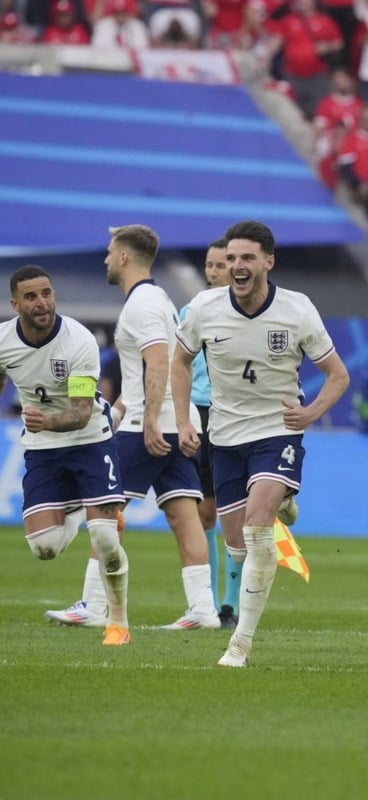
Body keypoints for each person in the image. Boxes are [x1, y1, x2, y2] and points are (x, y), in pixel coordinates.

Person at [171, 220, 350, 667]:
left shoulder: (297, 310)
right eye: (231, 258)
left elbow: (338, 376)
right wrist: (183, 418)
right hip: (226, 436)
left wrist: (310, 414)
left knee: (255, 529)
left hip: (277, 431)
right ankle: (284, 502)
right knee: (238, 546)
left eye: (247, 258)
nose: (237, 266)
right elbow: (179, 361)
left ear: (268, 261)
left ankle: (240, 644)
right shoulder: (204, 308)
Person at [2, 265, 131, 646]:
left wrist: (46, 421)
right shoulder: (4, 341)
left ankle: (118, 624)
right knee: (44, 548)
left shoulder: (78, 340)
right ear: (15, 304)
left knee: (106, 538)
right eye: (31, 296)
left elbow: (81, 412)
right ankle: (81, 506)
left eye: (46, 293)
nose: (41, 303)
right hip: (42, 447)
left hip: (90, 439)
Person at [105, 225, 219, 629]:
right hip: (166, 420)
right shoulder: (157, 298)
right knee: (183, 513)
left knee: (104, 508)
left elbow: (156, 361)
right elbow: (146, 369)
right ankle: (204, 609)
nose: (105, 258)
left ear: (123, 257)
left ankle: (94, 603)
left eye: (109, 250)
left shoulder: (142, 304)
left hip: (147, 425)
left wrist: (148, 419)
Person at [188, 238, 240, 629]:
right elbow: (176, 363)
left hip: (237, 414)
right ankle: (208, 605)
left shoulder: (248, 312)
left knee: (234, 514)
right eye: (209, 264)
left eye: (220, 264)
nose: (213, 271)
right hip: (199, 413)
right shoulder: (191, 311)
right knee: (204, 512)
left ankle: (231, 604)